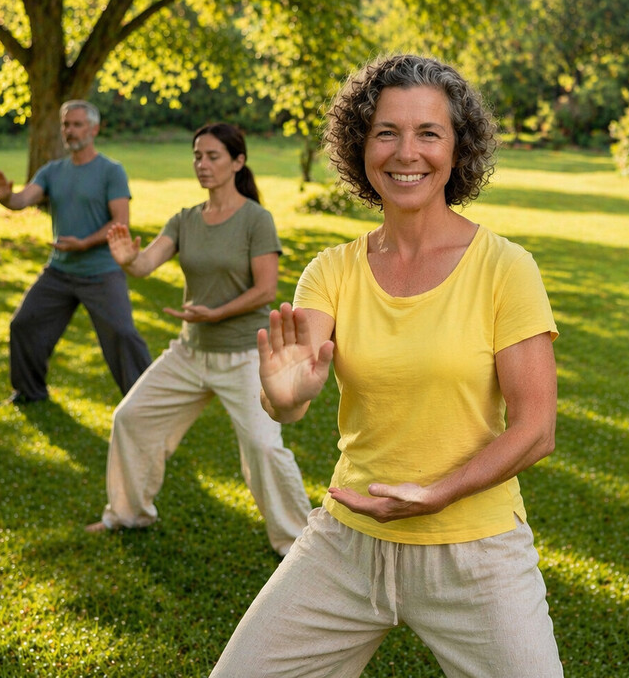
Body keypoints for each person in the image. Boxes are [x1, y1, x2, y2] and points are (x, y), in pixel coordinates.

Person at [210, 55, 564, 677]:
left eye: (429, 133)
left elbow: (535, 428)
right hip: (346, 541)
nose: (407, 153)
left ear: (459, 149)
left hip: (475, 552)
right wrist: (285, 397)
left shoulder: (506, 268)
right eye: (386, 132)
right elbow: (292, 389)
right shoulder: (332, 270)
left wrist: (436, 495)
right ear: (360, 145)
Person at [85, 123, 311, 556]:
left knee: (264, 446)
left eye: (212, 157)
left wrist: (217, 313)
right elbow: (146, 263)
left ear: (237, 162)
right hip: (191, 352)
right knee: (130, 418)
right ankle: (128, 513)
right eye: (197, 157)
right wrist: (128, 260)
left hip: (246, 355)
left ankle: (298, 542)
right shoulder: (185, 219)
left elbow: (266, 291)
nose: (202, 165)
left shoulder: (255, 219)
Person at [0, 100, 152, 404]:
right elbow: (23, 199)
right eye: (66, 124)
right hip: (60, 271)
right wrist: (6, 197)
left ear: (94, 129)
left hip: (102, 271)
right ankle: (29, 392)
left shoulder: (111, 171)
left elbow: (121, 222)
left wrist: (85, 243)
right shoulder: (52, 171)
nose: (70, 131)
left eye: (77, 124)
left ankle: (148, 402)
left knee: (123, 335)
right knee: (23, 324)